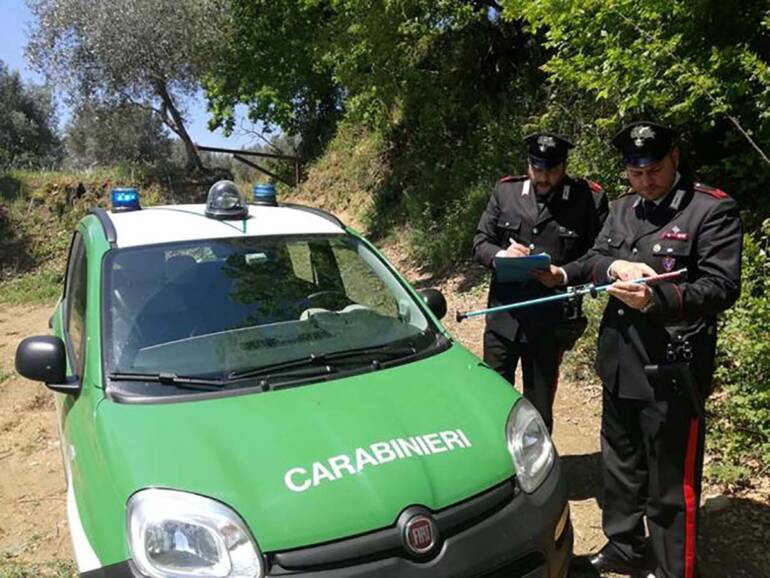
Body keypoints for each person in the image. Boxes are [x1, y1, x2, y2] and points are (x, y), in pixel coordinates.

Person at [534, 121, 742, 578]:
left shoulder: (710, 210)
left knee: (670, 483)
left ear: (674, 160)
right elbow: (593, 258)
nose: (645, 181)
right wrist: (610, 268)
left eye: (654, 170)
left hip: (672, 365)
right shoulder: (624, 208)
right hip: (619, 358)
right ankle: (625, 546)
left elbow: (722, 287)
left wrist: (657, 298)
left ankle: (673, 568)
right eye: (635, 171)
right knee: (621, 467)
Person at [472, 132, 607, 432]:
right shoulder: (506, 192)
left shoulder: (587, 199)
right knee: (492, 398)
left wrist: (564, 273)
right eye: (537, 169)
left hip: (549, 322)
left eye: (552, 170)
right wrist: (500, 255)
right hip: (502, 317)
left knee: (538, 406)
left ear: (565, 166)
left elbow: (600, 255)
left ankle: (538, 470)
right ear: (528, 164)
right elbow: (480, 241)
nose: (543, 178)